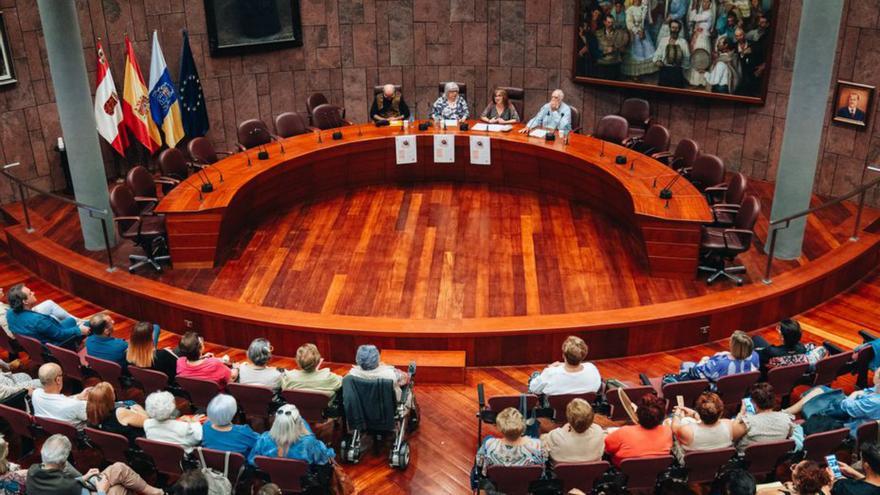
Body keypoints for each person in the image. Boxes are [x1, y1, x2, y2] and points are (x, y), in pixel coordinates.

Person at [26, 434, 162, 495]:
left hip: (83, 489)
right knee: (121, 488)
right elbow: (64, 487)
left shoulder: (32, 471)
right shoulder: (69, 486)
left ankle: (155, 492)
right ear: (63, 461)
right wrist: (102, 489)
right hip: (92, 492)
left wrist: (82, 478)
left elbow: (55, 486)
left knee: (119, 468)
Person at [782, 368, 880, 438]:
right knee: (820, 389)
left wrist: (855, 393)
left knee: (817, 393)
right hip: (852, 410)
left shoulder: (874, 402)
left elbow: (845, 407)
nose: (874, 372)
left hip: (848, 422)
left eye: (876, 372)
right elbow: (867, 392)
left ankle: (785, 413)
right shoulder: (877, 389)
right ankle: (787, 412)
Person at [5, 284, 89, 348]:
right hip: (56, 346)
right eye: (30, 294)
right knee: (91, 325)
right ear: (25, 302)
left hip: (38, 346)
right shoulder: (39, 321)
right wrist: (78, 330)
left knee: (71, 320)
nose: (34, 293)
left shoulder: (10, 313)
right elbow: (60, 335)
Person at [248, 404, 335, 466]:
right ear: (299, 423)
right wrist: (330, 452)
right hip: (302, 483)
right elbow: (324, 458)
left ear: (276, 422)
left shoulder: (264, 439)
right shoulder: (308, 443)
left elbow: (253, 461)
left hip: (270, 480)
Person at [475, 407, 546, 482]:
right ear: (523, 426)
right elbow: (542, 469)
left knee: (487, 438)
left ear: (500, 428)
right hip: (526, 484)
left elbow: (479, 462)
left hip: (497, 483)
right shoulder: (536, 445)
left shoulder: (489, 444)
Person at [604, 393, 673, 466]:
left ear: (638, 414)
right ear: (662, 417)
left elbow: (607, 450)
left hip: (623, 471)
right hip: (655, 470)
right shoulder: (667, 431)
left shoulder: (624, 432)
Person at [668, 330, 759, 384]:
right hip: (739, 389)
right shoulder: (755, 356)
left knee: (685, 365)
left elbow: (700, 372)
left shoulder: (720, 362)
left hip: (718, 391)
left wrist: (703, 361)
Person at [670, 392, 735, 462]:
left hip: (692, 465)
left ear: (698, 411)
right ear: (721, 412)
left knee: (668, 422)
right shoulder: (729, 425)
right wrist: (694, 414)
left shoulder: (688, 431)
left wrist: (677, 414)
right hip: (719, 462)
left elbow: (674, 427)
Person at [733, 382, 797, 453]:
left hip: (746, 461)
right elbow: (789, 435)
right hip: (774, 458)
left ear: (753, 402)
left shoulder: (747, 422)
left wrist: (741, 413)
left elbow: (732, 437)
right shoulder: (786, 419)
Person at [528, 336, 601, 395]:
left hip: (556, 411)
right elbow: (598, 387)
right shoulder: (591, 369)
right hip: (584, 410)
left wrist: (549, 369)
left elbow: (533, 389)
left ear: (563, 355)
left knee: (535, 375)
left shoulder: (551, 373)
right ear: (584, 354)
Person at [540, 398, 605, 464]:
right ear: (592, 417)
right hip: (593, 473)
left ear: (568, 418)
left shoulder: (556, 435)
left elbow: (543, 448)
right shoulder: (598, 432)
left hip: (563, 474)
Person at [202, 394, 259, 460]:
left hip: (214, 465)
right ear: (234, 414)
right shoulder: (243, 432)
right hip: (238, 467)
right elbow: (259, 444)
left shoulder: (206, 426)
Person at [754, 319, 825, 372]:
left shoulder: (771, 351)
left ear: (782, 336)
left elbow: (758, 357)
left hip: (770, 376)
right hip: (790, 376)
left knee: (756, 339)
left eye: (779, 330)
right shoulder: (802, 348)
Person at [31, 363, 88, 427]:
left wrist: (77, 397)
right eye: (62, 374)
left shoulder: (35, 394)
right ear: (58, 380)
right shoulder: (77, 405)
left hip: (50, 433)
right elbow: (93, 416)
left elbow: (59, 401)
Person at [622, 0, 657, 80]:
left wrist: (642, 30)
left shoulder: (643, 8)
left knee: (648, 50)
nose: (638, 1)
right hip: (634, 33)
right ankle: (635, 74)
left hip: (643, 31)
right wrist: (637, 31)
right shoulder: (630, 9)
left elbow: (646, 20)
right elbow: (629, 24)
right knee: (636, 53)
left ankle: (644, 73)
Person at [757, 460, 831, 495]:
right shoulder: (825, 490)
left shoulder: (780, 493)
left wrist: (784, 488)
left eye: (794, 468)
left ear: (798, 481)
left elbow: (759, 492)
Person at [653, 19, 690, 88]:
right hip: (664, 70)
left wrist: (680, 62)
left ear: (679, 30)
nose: (674, 30)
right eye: (673, 27)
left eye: (676, 28)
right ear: (669, 28)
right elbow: (656, 55)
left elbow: (687, 60)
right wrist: (657, 61)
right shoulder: (663, 40)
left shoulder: (683, 42)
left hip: (677, 72)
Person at [591, 14, 626, 80]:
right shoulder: (598, 33)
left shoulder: (619, 33)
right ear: (604, 22)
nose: (610, 25)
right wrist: (605, 51)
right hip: (602, 63)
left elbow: (622, 48)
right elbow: (594, 50)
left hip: (614, 63)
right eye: (609, 22)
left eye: (612, 23)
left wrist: (615, 49)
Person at [734, 27, 765, 96]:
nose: (740, 37)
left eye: (741, 35)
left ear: (744, 35)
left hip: (752, 75)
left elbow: (761, 57)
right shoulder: (734, 47)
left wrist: (761, 68)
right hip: (739, 76)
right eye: (737, 36)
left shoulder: (753, 45)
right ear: (735, 37)